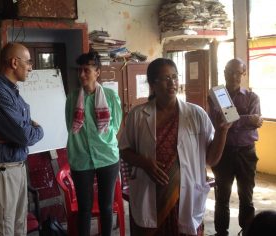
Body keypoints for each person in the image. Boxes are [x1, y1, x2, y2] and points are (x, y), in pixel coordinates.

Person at [119, 58, 231, 236]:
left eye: (174, 77)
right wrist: (145, 163)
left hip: (185, 198)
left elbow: (211, 159)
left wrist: (222, 131)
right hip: (151, 196)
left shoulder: (196, 114)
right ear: (152, 84)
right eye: (165, 78)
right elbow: (124, 150)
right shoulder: (138, 116)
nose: (172, 83)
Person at [0, 42, 44, 235]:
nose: (31, 67)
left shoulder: (12, 93)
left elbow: (25, 131)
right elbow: (24, 134)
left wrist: (17, 133)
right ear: (15, 62)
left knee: (18, 228)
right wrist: (22, 133)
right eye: (28, 62)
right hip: (1, 174)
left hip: (16, 169)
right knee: (1, 230)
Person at [65, 51, 122, 236]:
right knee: (84, 209)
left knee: (106, 207)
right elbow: (70, 126)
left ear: (97, 72)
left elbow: (115, 125)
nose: (81, 74)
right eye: (79, 70)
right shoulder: (72, 98)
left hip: (107, 157)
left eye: (86, 70)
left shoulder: (110, 96)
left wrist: (102, 140)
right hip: (80, 157)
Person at [209, 58, 263, 236]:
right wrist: (248, 118)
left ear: (243, 73)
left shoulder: (252, 97)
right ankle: (221, 232)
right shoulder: (217, 94)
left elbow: (233, 119)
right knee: (222, 197)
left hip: (246, 153)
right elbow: (226, 119)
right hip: (223, 152)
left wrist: (235, 118)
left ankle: (247, 231)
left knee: (246, 196)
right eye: (229, 72)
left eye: (237, 73)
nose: (233, 76)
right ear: (223, 72)